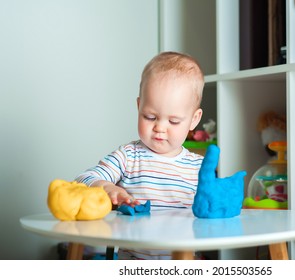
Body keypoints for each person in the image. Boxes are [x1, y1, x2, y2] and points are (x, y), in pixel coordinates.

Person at [75, 51, 205, 260]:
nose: (160, 128)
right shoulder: (128, 156)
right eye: (150, 116)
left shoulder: (199, 167)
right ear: (139, 107)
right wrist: (107, 187)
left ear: (193, 119)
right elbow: (83, 180)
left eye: (173, 121)